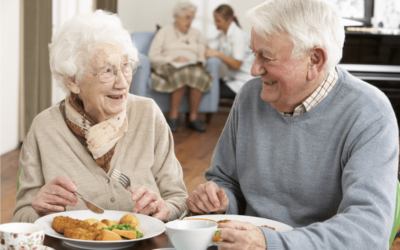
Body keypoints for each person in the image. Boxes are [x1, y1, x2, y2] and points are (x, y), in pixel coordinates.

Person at [186, 0, 399, 249]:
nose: (254, 69)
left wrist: (271, 243)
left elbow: (368, 230)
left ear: (315, 60)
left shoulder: (370, 112)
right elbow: (225, 180)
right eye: (254, 53)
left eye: (266, 56)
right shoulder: (249, 96)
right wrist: (220, 201)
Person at [13, 10, 188, 223]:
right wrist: (41, 214)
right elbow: (21, 216)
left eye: (125, 66)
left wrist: (165, 209)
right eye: (107, 70)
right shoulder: (44, 128)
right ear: (73, 81)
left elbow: (178, 198)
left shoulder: (148, 114)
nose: (122, 82)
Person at [148, 2, 211, 133]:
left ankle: (193, 118)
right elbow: (152, 56)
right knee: (183, 73)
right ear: (177, 17)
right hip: (169, 65)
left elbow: (201, 55)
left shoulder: (196, 33)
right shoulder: (164, 32)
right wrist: (173, 59)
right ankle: (173, 117)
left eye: (192, 18)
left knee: (197, 73)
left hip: (192, 66)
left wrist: (196, 62)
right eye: (187, 17)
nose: (190, 21)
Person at [205, 4, 254, 99]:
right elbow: (209, 49)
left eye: (218, 20)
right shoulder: (222, 35)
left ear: (229, 19)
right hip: (233, 78)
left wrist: (218, 54)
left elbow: (237, 64)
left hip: (244, 81)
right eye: (215, 20)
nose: (215, 23)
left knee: (211, 91)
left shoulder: (238, 35)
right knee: (206, 84)